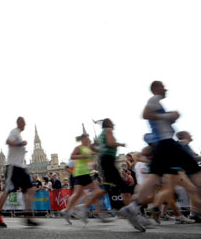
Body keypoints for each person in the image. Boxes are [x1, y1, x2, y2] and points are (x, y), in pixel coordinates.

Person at [119, 81, 201, 232]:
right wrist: (169, 115)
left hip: (163, 145)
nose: (166, 89)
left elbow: (157, 119)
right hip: (168, 143)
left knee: (154, 178)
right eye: (162, 86)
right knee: (195, 172)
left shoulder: (157, 103)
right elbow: (145, 115)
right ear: (156, 88)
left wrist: (171, 118)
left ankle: (132, 207)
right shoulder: (154, 99)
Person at [0, 117, 38, 228]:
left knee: (30, 190)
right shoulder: (14, 132)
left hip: (21, 168)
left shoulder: (19, 134)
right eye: (23, 122)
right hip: (13, 167)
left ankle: (28, 217)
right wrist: (19, 144)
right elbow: (8, 141)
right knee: (7, 190)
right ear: (18, 123)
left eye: (25, 122)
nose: (25, 124)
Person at [61, 133, 106, 225]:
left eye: (88, 138)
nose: (88, 139)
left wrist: (100, 146)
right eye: (86, 138)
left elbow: (97, 150)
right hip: (80, 172)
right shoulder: (79, 148)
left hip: (85, 173)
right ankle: (97, 212)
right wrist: (82, 156)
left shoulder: (89, 147)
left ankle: (67, 211)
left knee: (78, 194)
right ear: (82, 139)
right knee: (95, 191)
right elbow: (72, 156)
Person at [98, 118, 133, 205]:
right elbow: (111, 143)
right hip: (108, 160)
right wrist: (121, 144)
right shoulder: (108, 130)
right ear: (108, 124)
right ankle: (129, 210)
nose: (113, 125)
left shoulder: (101, 135)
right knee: (124, 186)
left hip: (104, 161)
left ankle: (83, 206)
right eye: (112, 123)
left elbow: (95, 148)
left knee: (107, 187)